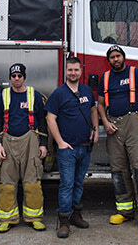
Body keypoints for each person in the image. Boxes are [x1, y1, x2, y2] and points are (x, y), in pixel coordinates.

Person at [97, 45, 138, 232]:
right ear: (109, 60)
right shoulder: (105, 78)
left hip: (135, 124)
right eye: (112, 57)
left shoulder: (136, 73)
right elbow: (99, 104)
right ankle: (125, 211)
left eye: (118, 56)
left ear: (124, 57)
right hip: (114, 127)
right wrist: (105, 122)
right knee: (118, 171)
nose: (116, 59)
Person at [45, 56, 98, 238]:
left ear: (80, 71)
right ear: (65, 71)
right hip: (68, 149)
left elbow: (92, 110)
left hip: (85, 146)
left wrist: (95, 130)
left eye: (76, 70)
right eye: (70, 70)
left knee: (78, 183)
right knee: (66, 185)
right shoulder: (59, 93)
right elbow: (50, 118)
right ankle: (63, 221)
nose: (73, 73)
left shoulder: (87, 91)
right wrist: (60, 142)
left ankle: (76, 215)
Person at [0, 63, 48, 233]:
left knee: (32, 182)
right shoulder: (3, 95)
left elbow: (42, 121)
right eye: (14, 76)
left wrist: (43, 144)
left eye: (19, 76)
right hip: (7, 142)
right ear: (10, 77)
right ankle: (7, 219)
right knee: (6, 184)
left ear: (24, 77)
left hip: (30, 141)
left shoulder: (34, 95)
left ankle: (34, 218)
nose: (16, 78)